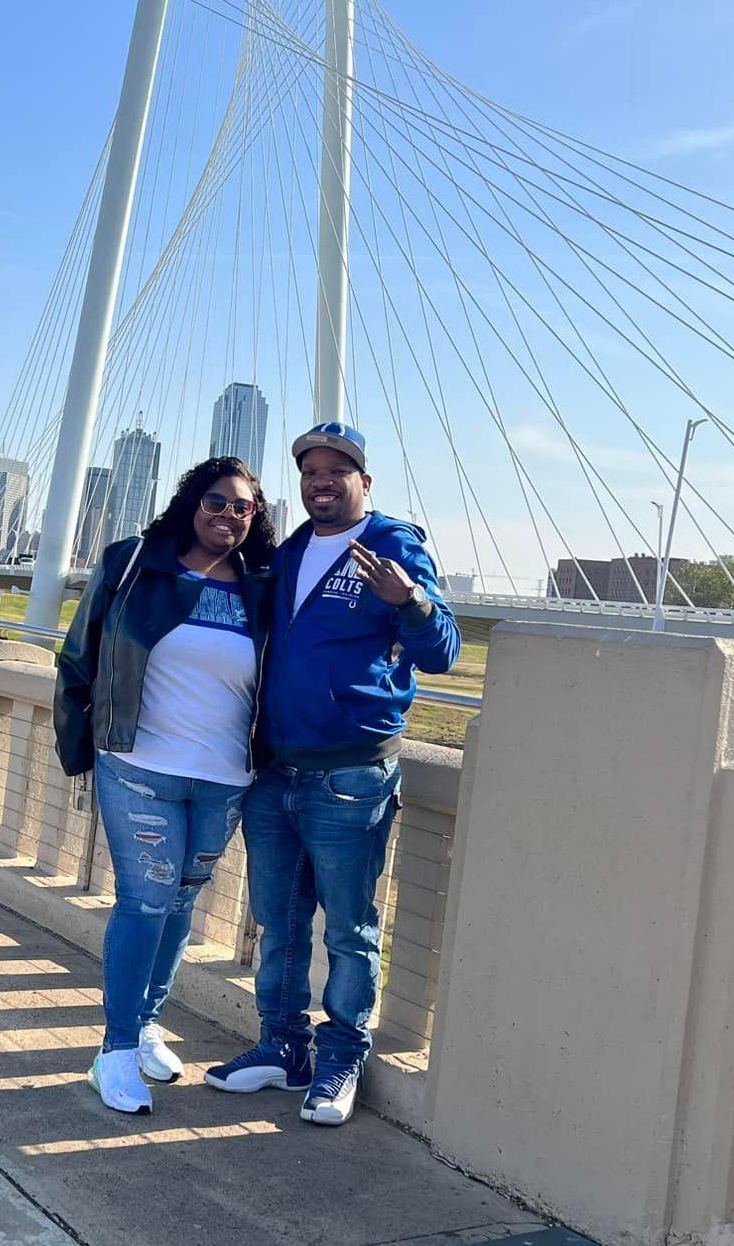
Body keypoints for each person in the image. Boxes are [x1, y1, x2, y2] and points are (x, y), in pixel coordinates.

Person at [206, 421, 460, 1125]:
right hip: (275, 772)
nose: (320, 481)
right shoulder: (290, 551)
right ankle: (282, 1048)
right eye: (310, 471)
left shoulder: (392, 546)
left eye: (336, 470)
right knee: (279, 923)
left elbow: (442, 652)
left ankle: (341, 1057)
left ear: (364, 482)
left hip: (350, 777)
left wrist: (410, 602)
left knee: (349, 930)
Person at [53, 456, 276, 1115]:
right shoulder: (133, 563)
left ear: (256, 517)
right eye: (216, 502)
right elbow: (78, 656)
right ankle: (115, 1051)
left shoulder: (264, 584)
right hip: (139, 767)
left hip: (226, 779)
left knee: (180, 904)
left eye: (243, 506)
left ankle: (147, 1023)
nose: (228, 515)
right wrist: (77, 749)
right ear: (190, 504)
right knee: (145, 902)